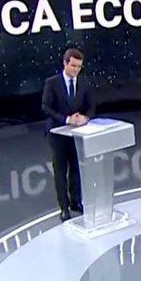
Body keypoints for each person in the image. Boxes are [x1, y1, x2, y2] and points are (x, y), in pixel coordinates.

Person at [41, 47, 96, 221]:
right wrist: (66, 119)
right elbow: (46, 107)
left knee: (76, 169)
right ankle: (64, 208)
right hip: (57, 133)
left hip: (77, 133)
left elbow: (92, 105)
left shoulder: (84, 82)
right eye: (73, 66)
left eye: (79, 67)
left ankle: (75, 202)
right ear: (65, 63)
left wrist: (85, 118)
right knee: (60, 171)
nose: (76, 70)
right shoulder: (52, 83)